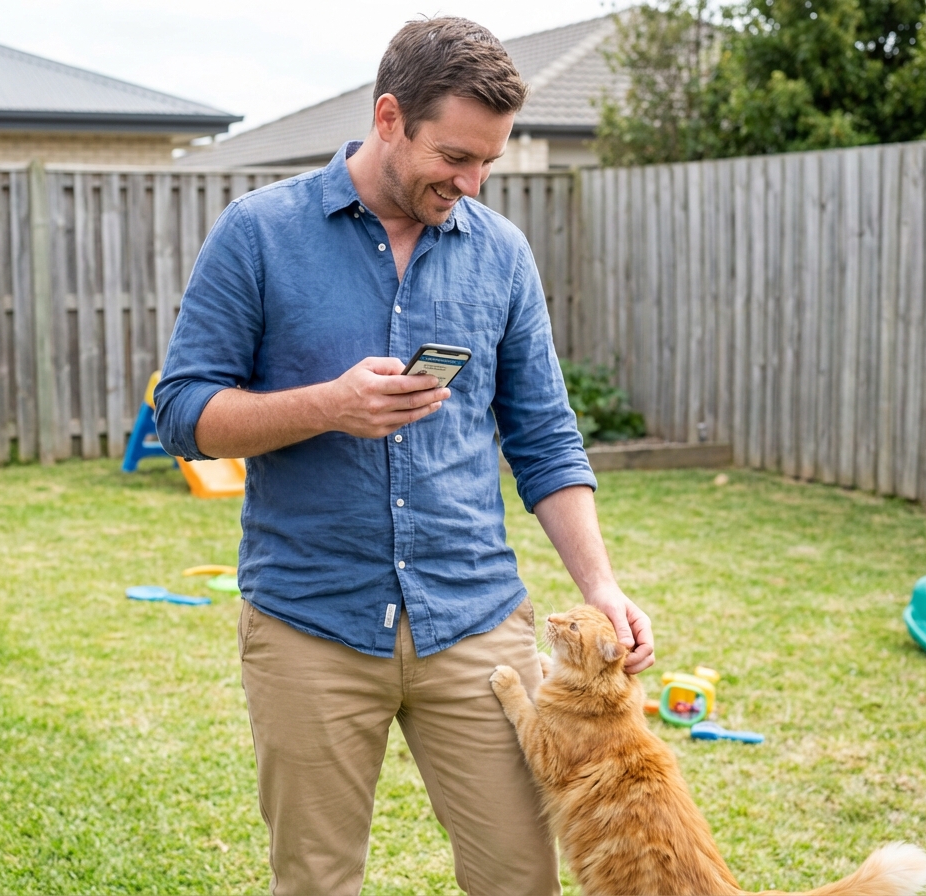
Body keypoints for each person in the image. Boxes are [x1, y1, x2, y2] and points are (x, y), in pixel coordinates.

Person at [154, 16, 655, 896]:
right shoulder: (259, 233)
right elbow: (184, 412)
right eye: (455, 157)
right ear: (389, 118)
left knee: (519, 880)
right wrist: (328, 406)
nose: (471, 182)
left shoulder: (501, 254)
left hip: (476, 623)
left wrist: (601, 587)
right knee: (316, 882)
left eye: (489, 162)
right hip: (310, 622)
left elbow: (544, 436)